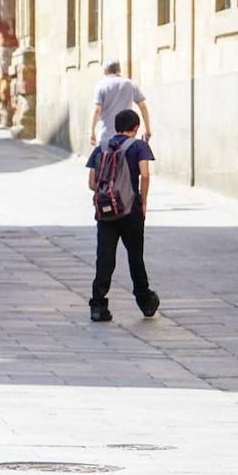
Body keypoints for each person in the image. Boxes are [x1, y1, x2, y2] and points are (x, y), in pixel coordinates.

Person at [85, 109, 160, 323]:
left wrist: (108, 194)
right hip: (131, 211)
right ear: (136, 127)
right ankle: (145, 301)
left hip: (105, 211)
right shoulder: (139, 146)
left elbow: (92, 183)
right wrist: (143, 202)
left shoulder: (101, 148)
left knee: (105, 257)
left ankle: (98, 305)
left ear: (116, 127)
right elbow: (144, 175)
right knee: (135, 256)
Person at [89, 60, 151, 148]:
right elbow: (143, 107)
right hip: (126, 138)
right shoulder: (130, 84)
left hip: (106, 137)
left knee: (103, 160)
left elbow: (97, 110)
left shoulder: (101, 86)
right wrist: (147, 129)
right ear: (119, 70)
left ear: (105, 71)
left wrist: (92, 131)